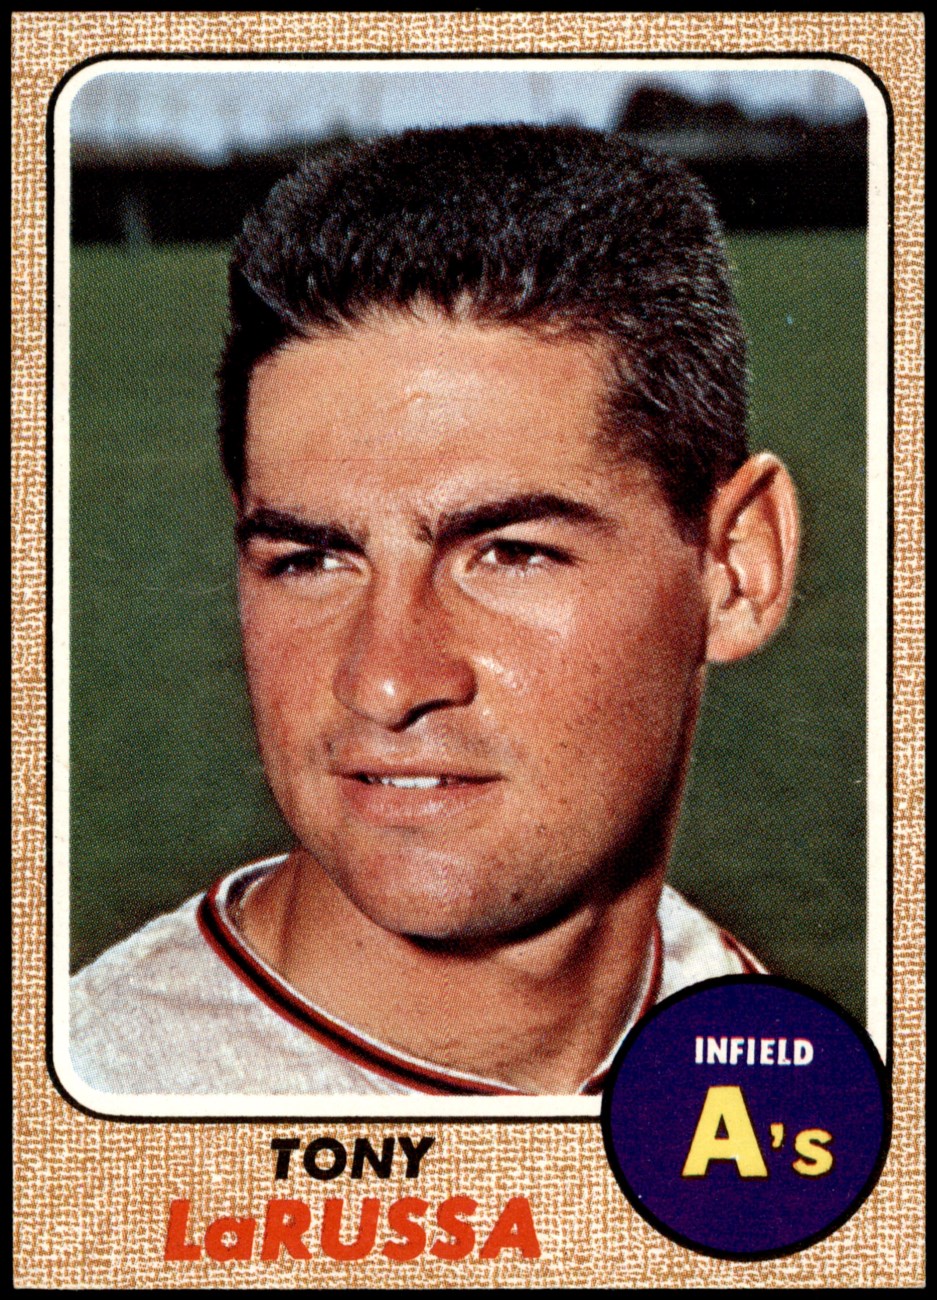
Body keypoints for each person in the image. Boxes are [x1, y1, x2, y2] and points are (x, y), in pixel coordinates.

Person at [70, 125, 799, 1098]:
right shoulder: (93, 1100)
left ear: (738, 569)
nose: (384, 680)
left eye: (510, 553)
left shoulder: (763, 1064)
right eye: (310, 559)